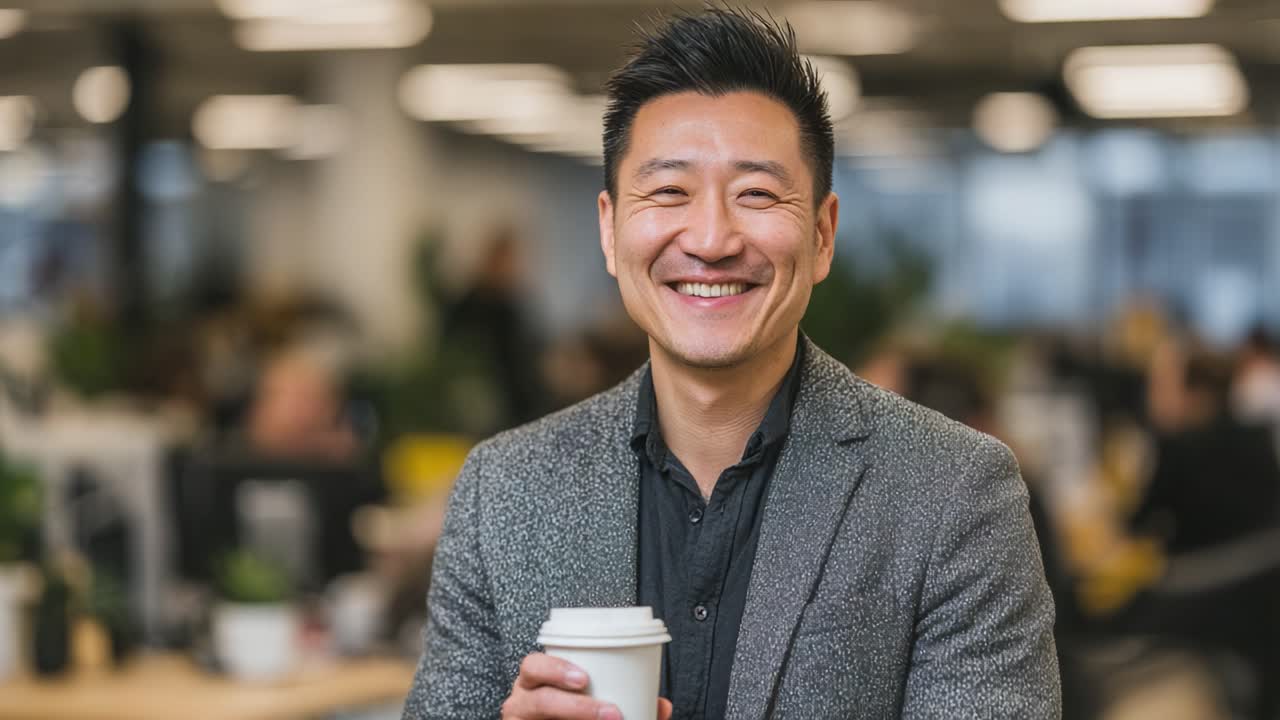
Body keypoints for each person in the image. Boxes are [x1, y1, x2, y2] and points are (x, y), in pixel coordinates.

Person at [403, 8, 1059, 719]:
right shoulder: (504, 493)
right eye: (669, 192)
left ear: (822, 234)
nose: (712, 239)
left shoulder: (953, 495)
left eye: (755, 194)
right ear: (610, 227)